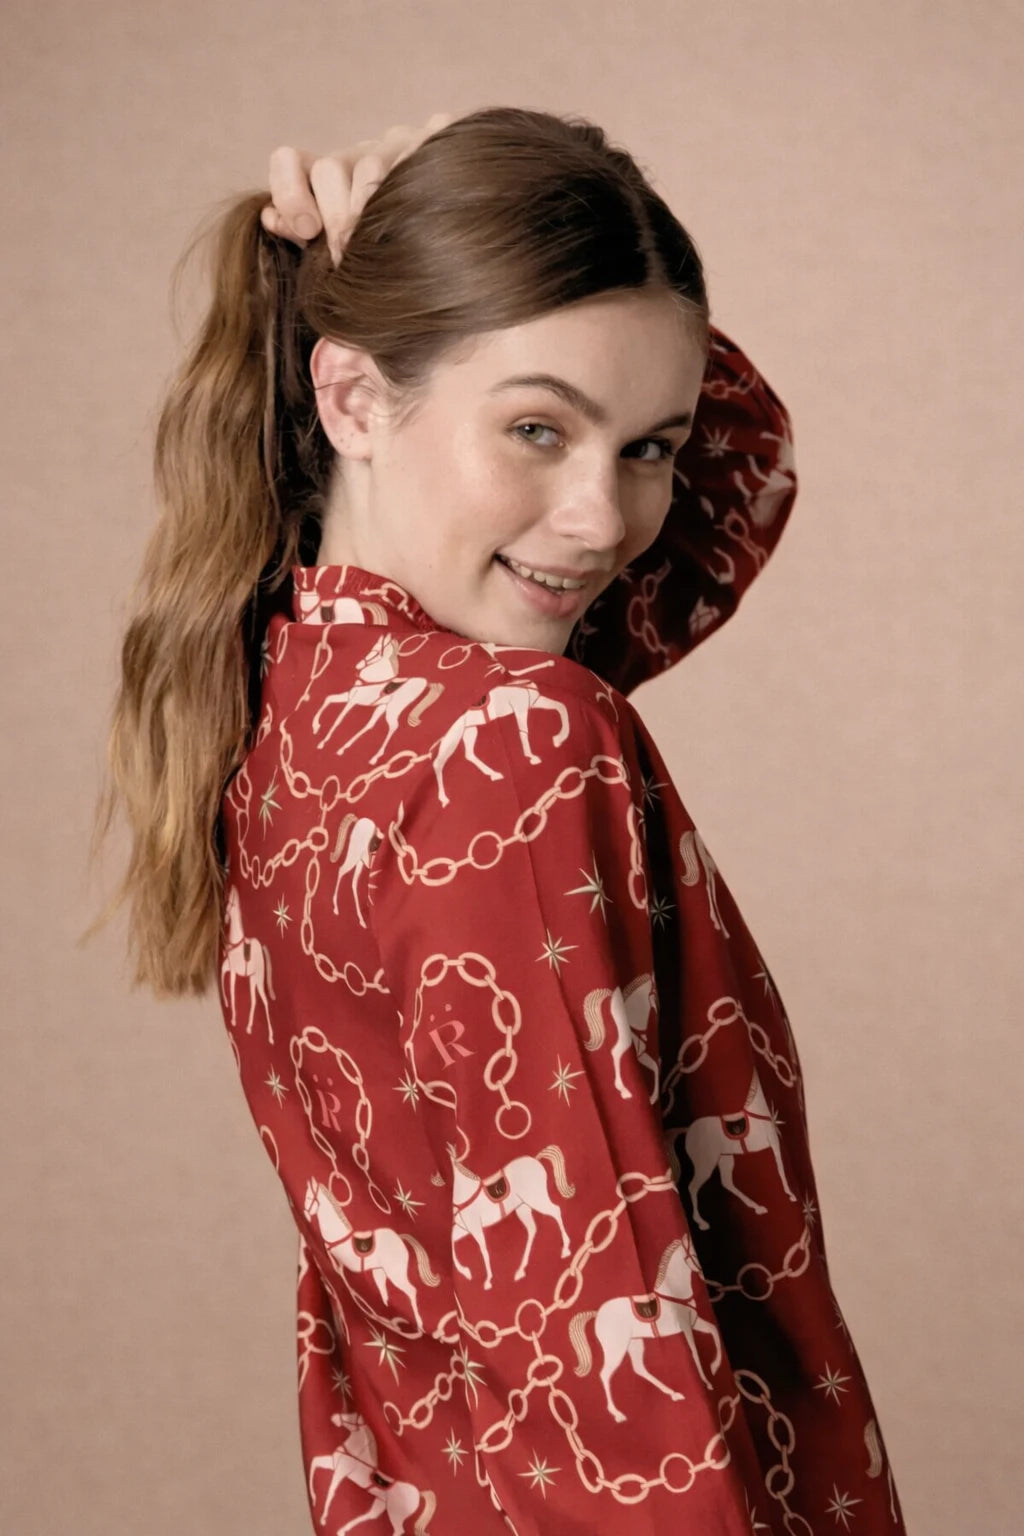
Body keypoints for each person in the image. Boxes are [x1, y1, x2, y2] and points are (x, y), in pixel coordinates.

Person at [100, 107, 906, 1534]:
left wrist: (469, 259)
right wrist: (450, 260)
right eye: (536, 427)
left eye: (646, 443)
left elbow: (736, 482)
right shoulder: (516, 738)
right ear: (349, 399)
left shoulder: (285, 697)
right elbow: (594, 1324)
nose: (601, 519)